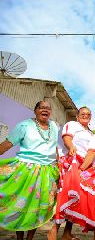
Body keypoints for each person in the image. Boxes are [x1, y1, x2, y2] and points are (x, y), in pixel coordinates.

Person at [0, 101, 60, 240]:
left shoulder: (54, 127)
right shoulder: (24, 125)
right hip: (27, 170)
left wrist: (59, 164)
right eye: (42, 107)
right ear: (35, 110)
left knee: (39, 208)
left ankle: (30, 238)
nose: (45, 110)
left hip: (47, 172)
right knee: (21, 205)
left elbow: (54, 147)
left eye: (48, 108)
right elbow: (8, 144)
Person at [48, 106, 95, 240]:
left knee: (75, 198)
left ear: (90, 117)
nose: (85, 116)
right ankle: (53, 230)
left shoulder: (91, 133)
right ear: (77, 116)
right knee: (65, 195)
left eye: (88, 114)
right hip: (71, 162)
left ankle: (67, 233)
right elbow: (67, 138)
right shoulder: (72, 124)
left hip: (83, 167)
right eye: (82, 113)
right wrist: (71, 147)